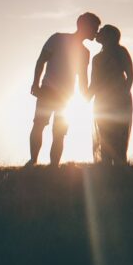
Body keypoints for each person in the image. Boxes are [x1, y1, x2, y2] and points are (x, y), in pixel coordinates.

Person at [27, 12, 101, 167]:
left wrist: (85, 96)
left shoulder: (84, 52)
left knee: (58, 132)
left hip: (66, 97)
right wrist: (35, 83)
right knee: (40, 125)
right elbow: (41, 61)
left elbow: (82, 77)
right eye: (95, 27)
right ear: (85, 26)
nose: (97, 31)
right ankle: (33, 161)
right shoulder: (57, 38)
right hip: (49, 91)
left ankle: (53, 166)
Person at [89, 24, 133, 165]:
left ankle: (120, 167)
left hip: (119, 100)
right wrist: (85, 97)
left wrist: (123, 94)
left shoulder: (121, 52)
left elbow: (130, 75)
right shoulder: (96, 58)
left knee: (119, 133)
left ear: (109, 36)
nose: (97, 32)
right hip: (102, 101)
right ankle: (106, 167)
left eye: (101, 31)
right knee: (105, 135)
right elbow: (94, 83)